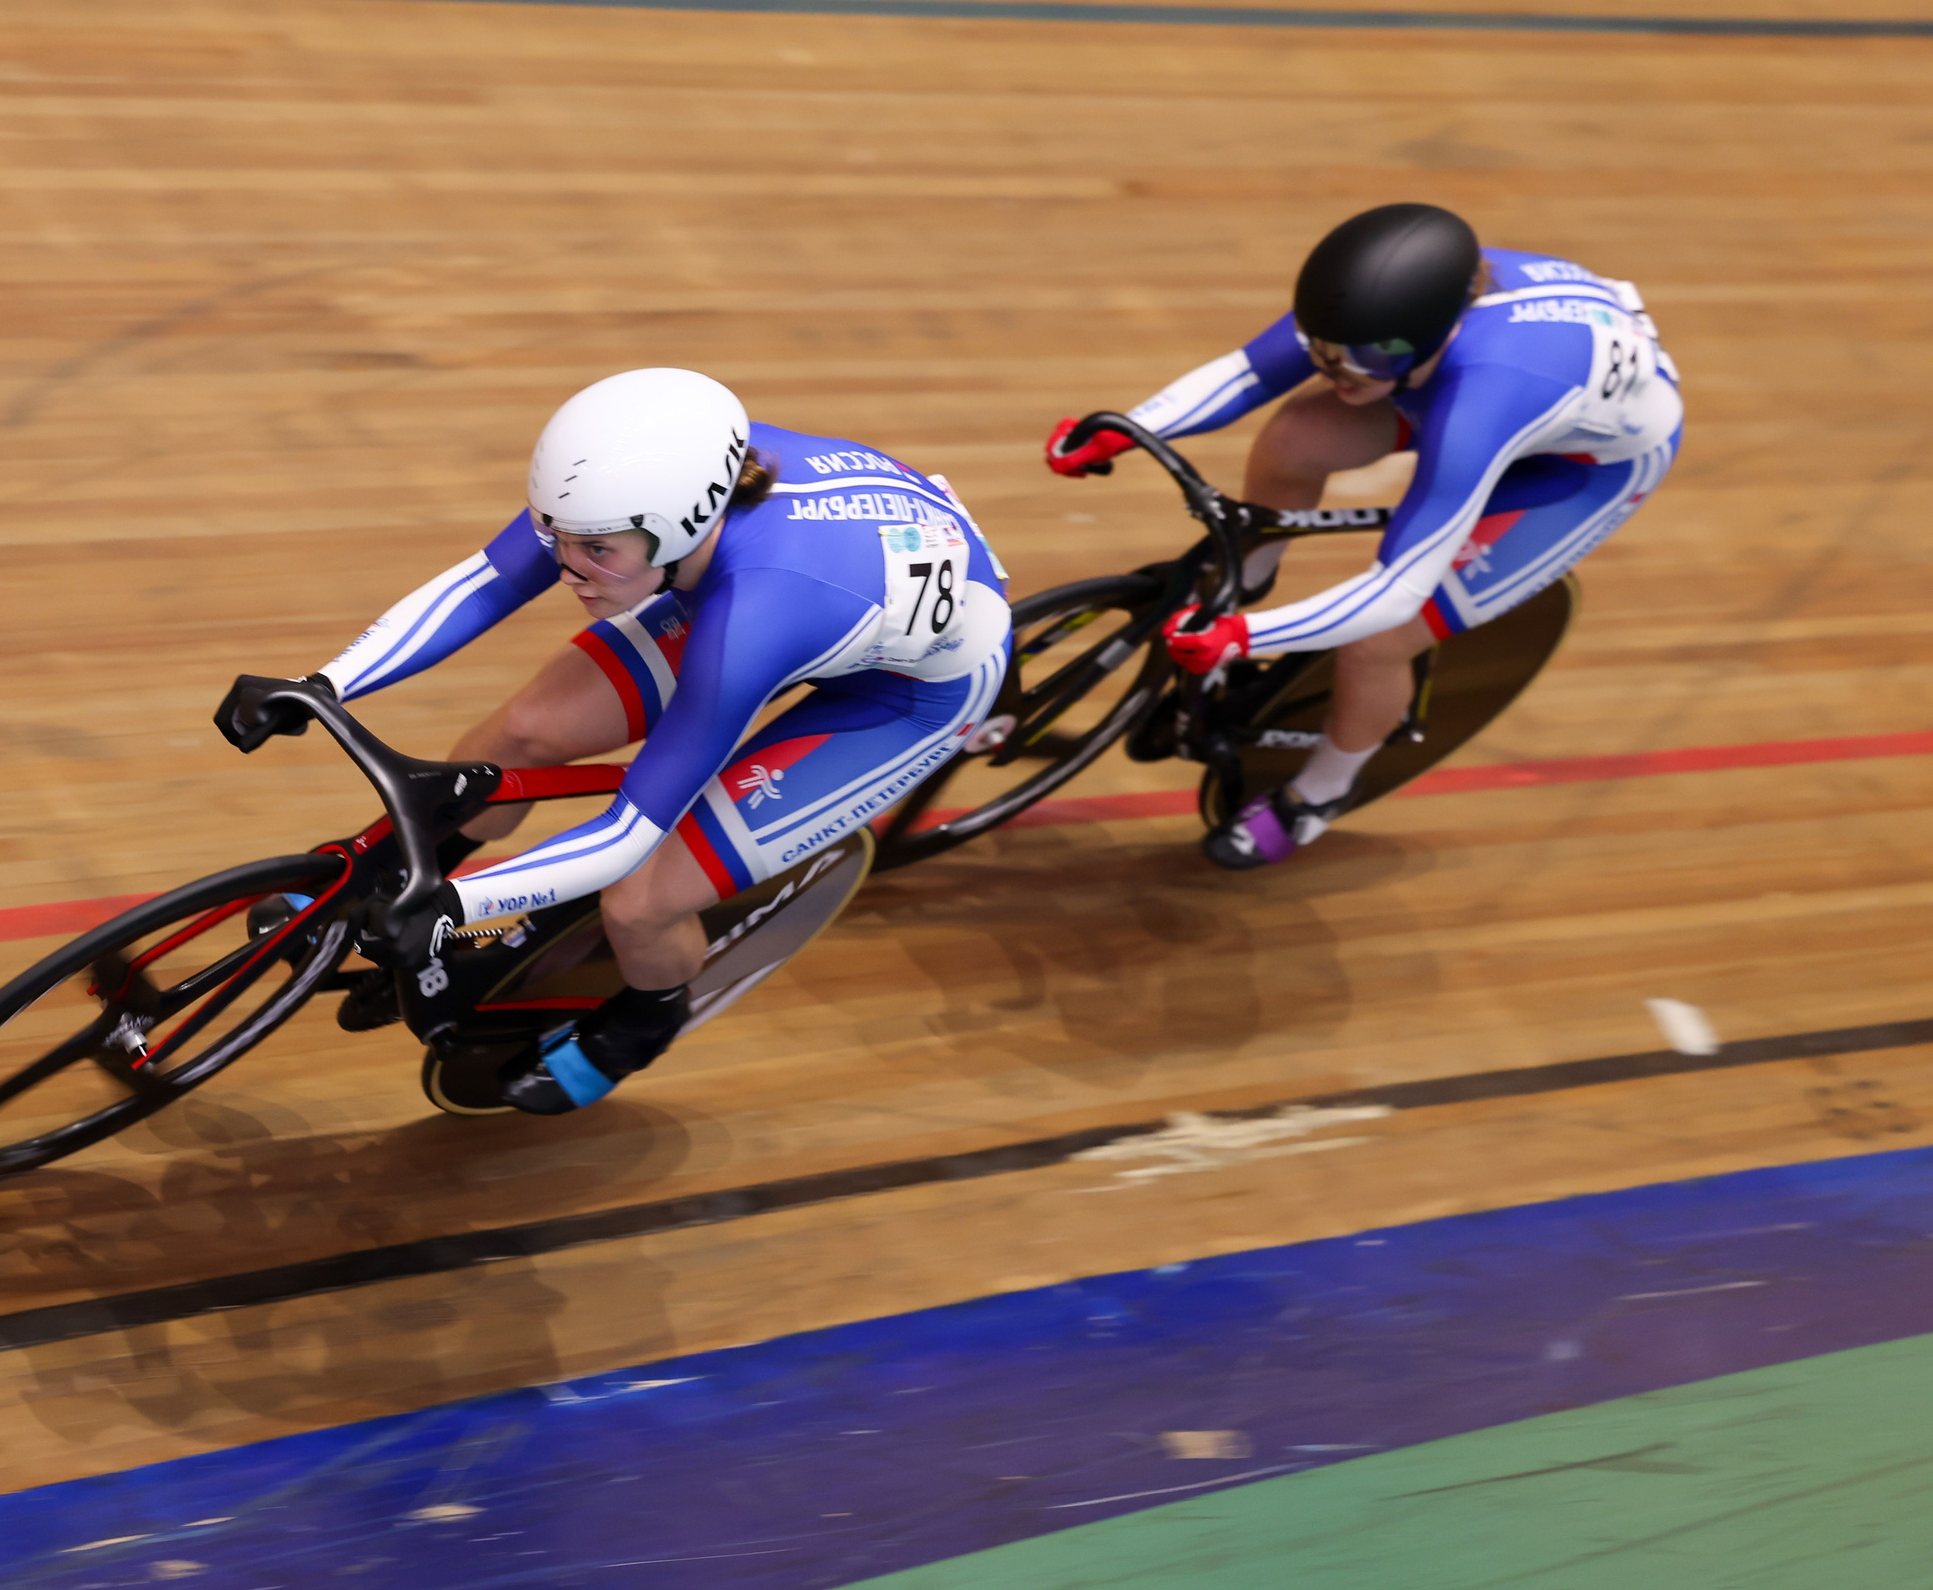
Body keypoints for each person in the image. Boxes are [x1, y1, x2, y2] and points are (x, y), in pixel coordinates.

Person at [284, 368, 1011, 1113]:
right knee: (525, 733)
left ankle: (648, 1017)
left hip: (908, 692)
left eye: (597, 552)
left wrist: (457, 908)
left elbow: (629, 832)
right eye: (556, 538)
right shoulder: (628, 489)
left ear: (683, 525)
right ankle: (390, 872)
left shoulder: (751, 615)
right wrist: (325, 683)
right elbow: (484, 582)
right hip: (809, 583)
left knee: (638, 900)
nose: (568, 568)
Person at [1045, 203, 1683, 868]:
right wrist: (1126, 426)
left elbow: (1398, 590)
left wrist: (1243, 639)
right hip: (1468, 383)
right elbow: (1246, 372)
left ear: (1434, 334)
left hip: (1576, 468)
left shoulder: (1479, 395)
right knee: (1297, 436)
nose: (1339, 369)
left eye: (1365, 358)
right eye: (1324, 348)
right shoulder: (1375, 317)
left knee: (1377, 642)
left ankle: (1320, 793)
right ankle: (1254, 570)